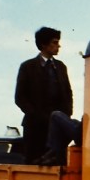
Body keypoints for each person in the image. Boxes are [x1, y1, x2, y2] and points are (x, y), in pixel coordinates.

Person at [15, 26, 73, 164]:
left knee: (57, 165)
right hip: (35, 128)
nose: (58, 45)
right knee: (34, 165)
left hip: (57, 127)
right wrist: (37, 116)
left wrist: (66, 116)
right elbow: (20, 97)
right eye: (54, 42)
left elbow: (68, 93)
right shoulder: (28, 67)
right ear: (43, 44)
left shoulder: (60, 67)